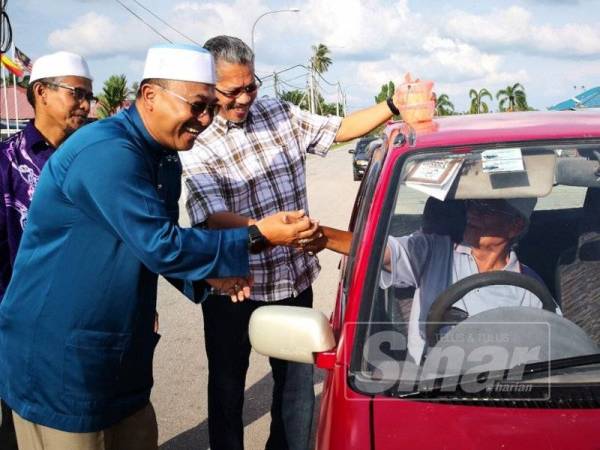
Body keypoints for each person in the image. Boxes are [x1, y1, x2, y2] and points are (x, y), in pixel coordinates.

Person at [0, 43, 316, 450]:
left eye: (210, 108)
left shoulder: (163, 156)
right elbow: (161, 244)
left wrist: (207, 277)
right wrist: (261, 235)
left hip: (120, 357)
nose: (205, 120)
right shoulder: (108, 151)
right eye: (198, 106)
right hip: (63, 363)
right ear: (150, 96)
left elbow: (152, 241)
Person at [180, 35, 407, 450]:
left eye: (251, 86)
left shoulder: (278, 112)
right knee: (228, 389)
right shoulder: (197, 135)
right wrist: (267, 230)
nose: (245, 97)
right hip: (234, 286)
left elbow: (337, 129)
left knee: (295, 391)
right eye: (233, 91)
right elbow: (211, 215)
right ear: (210, 88)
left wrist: (392, 105)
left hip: (293, 280)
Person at [307, 198, 556, 363]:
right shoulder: (433, 250)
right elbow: (378, 250)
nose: (472, 213)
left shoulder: (530, 287)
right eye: (473, 204)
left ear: (515, 225)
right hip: (426, 383)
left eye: (487, 209)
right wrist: (319, 235)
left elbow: (554, 344)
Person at [0, 50, 94, 450]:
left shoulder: (95, 157)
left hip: (90, 323)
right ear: (40, 92)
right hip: (22, 325)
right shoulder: (6, 163)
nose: (87, 105)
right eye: (77, 93)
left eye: (88, 94)